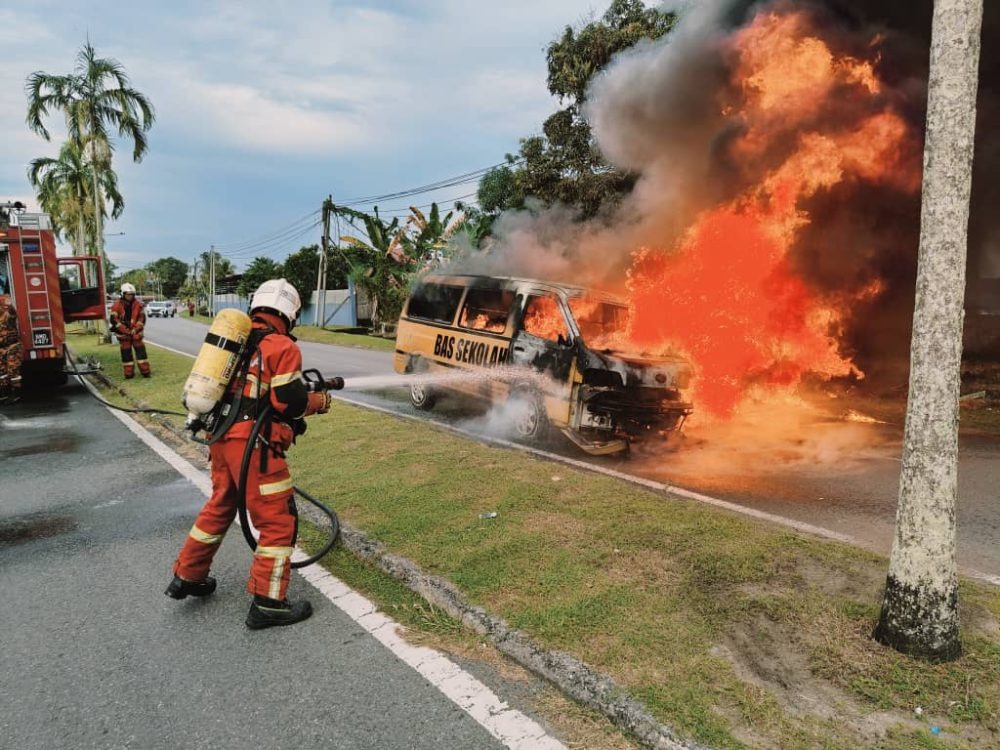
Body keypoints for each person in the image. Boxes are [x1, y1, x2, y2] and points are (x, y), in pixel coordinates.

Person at [166, 279, 331, 629]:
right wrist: (319, 401)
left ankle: (188, 575)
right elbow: (289, 401)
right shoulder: (280, 346)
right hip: (255, 447)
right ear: (290, 313)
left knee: (221, 504)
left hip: (221, 439)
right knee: (277, 520)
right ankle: (268, 602)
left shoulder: (238, 342)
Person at [108, 283, 151, 378]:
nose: (130, 296)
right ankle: (129, 374)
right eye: (128, 294)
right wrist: (125, 330)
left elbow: (142, 318)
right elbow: (114, 320)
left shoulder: (138, 305)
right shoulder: (116, 306)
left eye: (131, 294)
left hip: (136, 334)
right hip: (124, 335)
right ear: (123, 294)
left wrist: (136, 329)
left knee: (141, 354)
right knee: (126, 355)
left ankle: (146, 372)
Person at [0, 294, 22, 404]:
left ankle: (16, 395)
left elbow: (13, 313)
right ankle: (4, 395)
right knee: (2, 372)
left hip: (12, 346)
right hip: (1, 348)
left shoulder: (8, 315)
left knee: (13, 371)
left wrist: (9, 305)